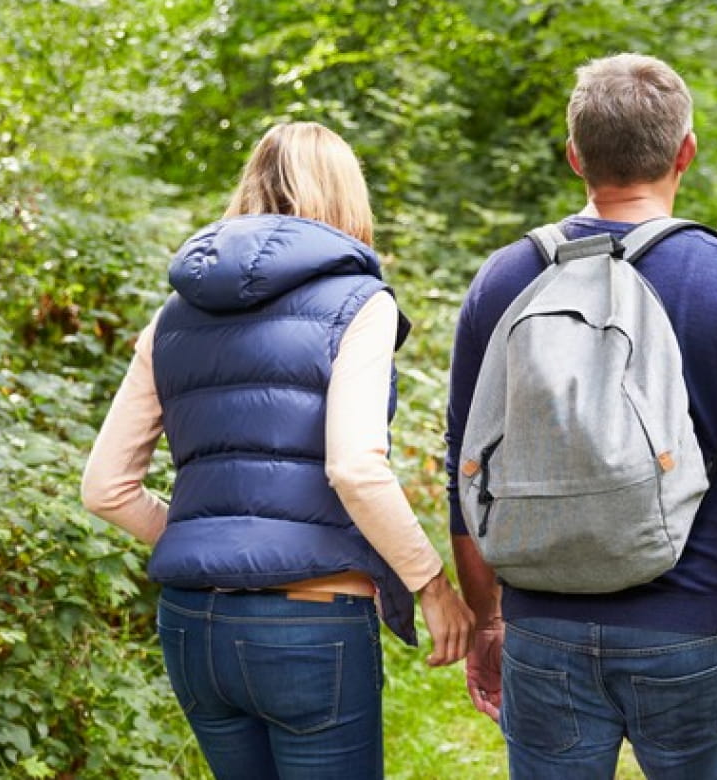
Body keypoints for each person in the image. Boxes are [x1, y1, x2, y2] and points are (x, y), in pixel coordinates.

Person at [444, 54, 717, 778]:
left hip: (544, 627)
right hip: (693, 628)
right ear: (685, 151)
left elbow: (468, 468)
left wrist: (490, 620)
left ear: (576, 157)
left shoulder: (506, 277)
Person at [81, 121, 473, 779]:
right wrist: (431, 585)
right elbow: (353, 466)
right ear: (348, 197)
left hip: (191, 623)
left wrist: (205, 539)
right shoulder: (360, 303)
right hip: (310, 623)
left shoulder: (172, 314)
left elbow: (105, 488)